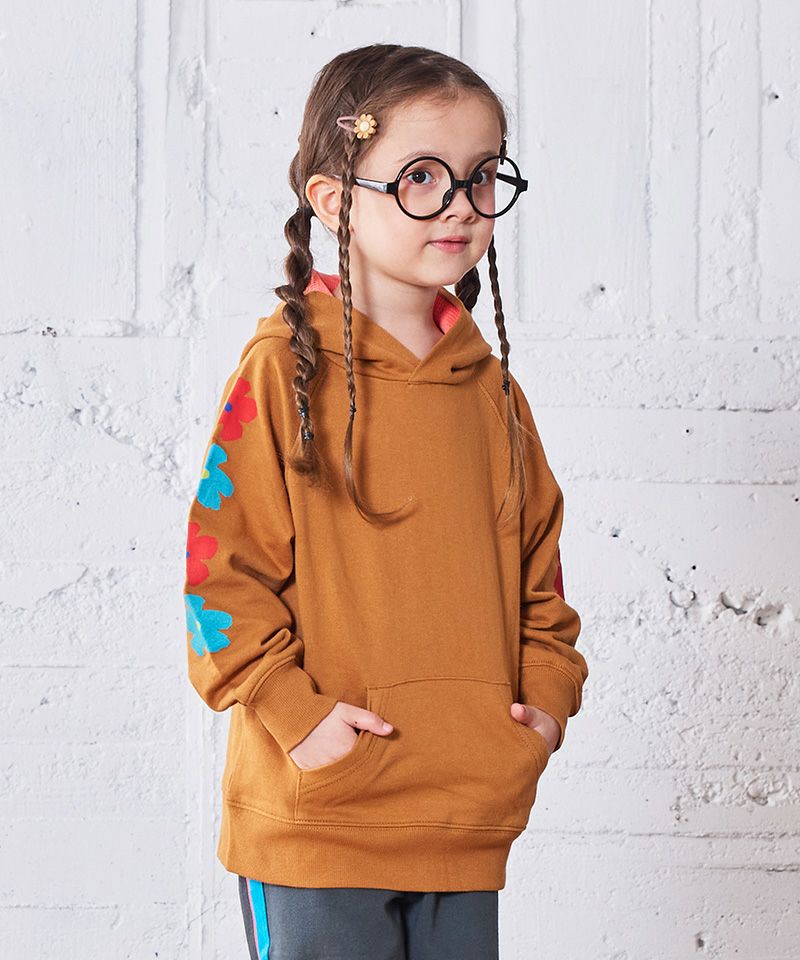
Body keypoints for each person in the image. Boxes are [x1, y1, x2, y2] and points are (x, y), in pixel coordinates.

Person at [183, 42, 589, 960]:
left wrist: (544, 704)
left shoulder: (493, 393)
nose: (460, 204)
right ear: (334, 201)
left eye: (481, 176)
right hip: (319, 817)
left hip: (467, 815)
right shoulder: (282, 375)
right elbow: (220, 577)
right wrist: (294, 715)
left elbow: (541, 578)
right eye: (420, 178)